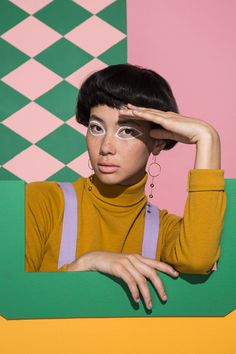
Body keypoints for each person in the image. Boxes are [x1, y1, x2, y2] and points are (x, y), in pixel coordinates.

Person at [25, 64, 226, 310]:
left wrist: (207, 138)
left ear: (158, 143)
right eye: (96, 128)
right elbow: (13, 299)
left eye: (127, 131)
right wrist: (85, 264)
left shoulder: (165, 230)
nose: (106, 146)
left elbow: (198, 261)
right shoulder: (42, 201)